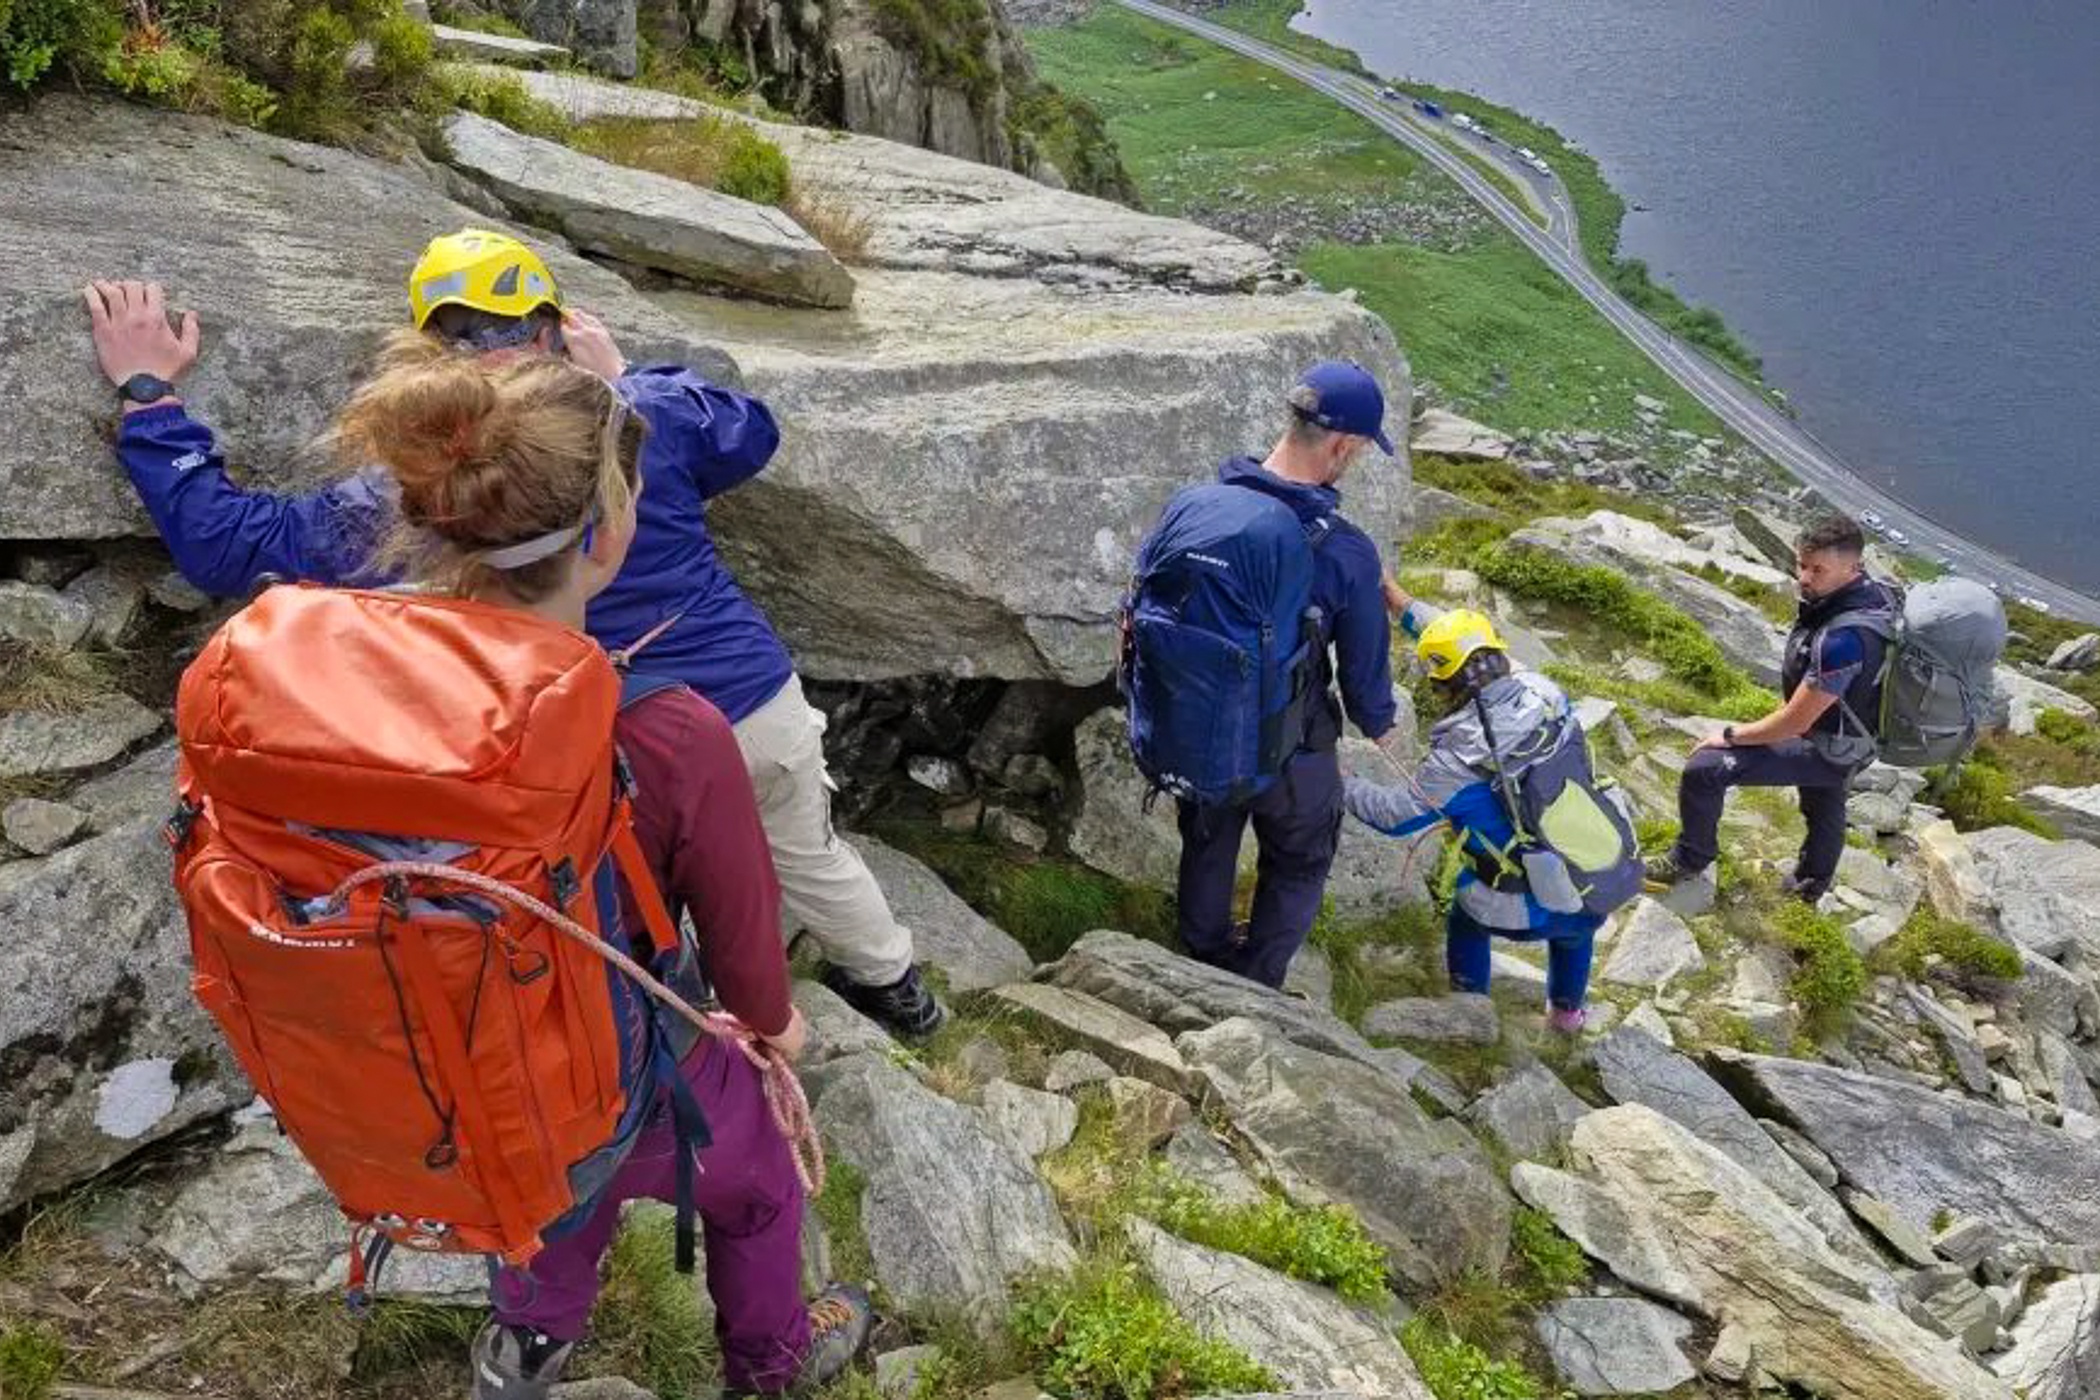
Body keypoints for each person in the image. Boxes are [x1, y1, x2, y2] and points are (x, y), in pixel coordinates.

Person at [83, 233, 945, 1038]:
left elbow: (228, 543)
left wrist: (151, 398)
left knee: (623, 890)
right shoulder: (638, 417)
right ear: (551, 330)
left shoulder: (414, 492)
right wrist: (624, 378)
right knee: (808, 855)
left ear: (431, 354)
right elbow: (751, 430)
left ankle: (664, 1024)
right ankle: (896, 990)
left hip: (580, 744)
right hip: (748, 704)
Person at [324, 341, 872, 1399]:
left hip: (430, 1047)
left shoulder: (356, 694)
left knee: (541, 1176)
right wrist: (776, 1026)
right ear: (608, 534)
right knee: (757, 1173)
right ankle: (772, 1361)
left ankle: (525, 1347)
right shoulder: (666, 729)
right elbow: (746, 956)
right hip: (609, 1060)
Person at [1170, 362, 1403, 989]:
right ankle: (1257, 980)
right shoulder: (1345, 551)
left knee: (1208, 840)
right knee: (1300, 860)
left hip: (1202, 728)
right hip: (1290, 749)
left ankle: (1201, 954)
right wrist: (1380, 722)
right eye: (1360, 451)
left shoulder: (1197, 507)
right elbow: (1363, 677)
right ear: (1343, 445)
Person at [1342, 601, 1607, 1032]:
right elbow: (1469, 650)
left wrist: (1340, 782)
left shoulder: (1456, 760)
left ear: (1443, 685)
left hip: (1528, 905)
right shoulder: (1544, 692)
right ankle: (1566, 1017)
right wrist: (1403, 604)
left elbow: (1393, 815)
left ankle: (1471, 1011)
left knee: (1466, 917)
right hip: (1596, 872)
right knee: (1577, 931)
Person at [1643, 514, 1898, 905]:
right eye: (1801, 564)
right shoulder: (1871, 597)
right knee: (1824, 800)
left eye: (1818, 569)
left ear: (1853, 567)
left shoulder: (1844, 639)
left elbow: (1795, 722)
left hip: (1831, 744)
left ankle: (1688, 859)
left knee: (1705, 768)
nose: (1805, 578)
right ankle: (1808, 888)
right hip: (1853, 735)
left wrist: (1729, 736)